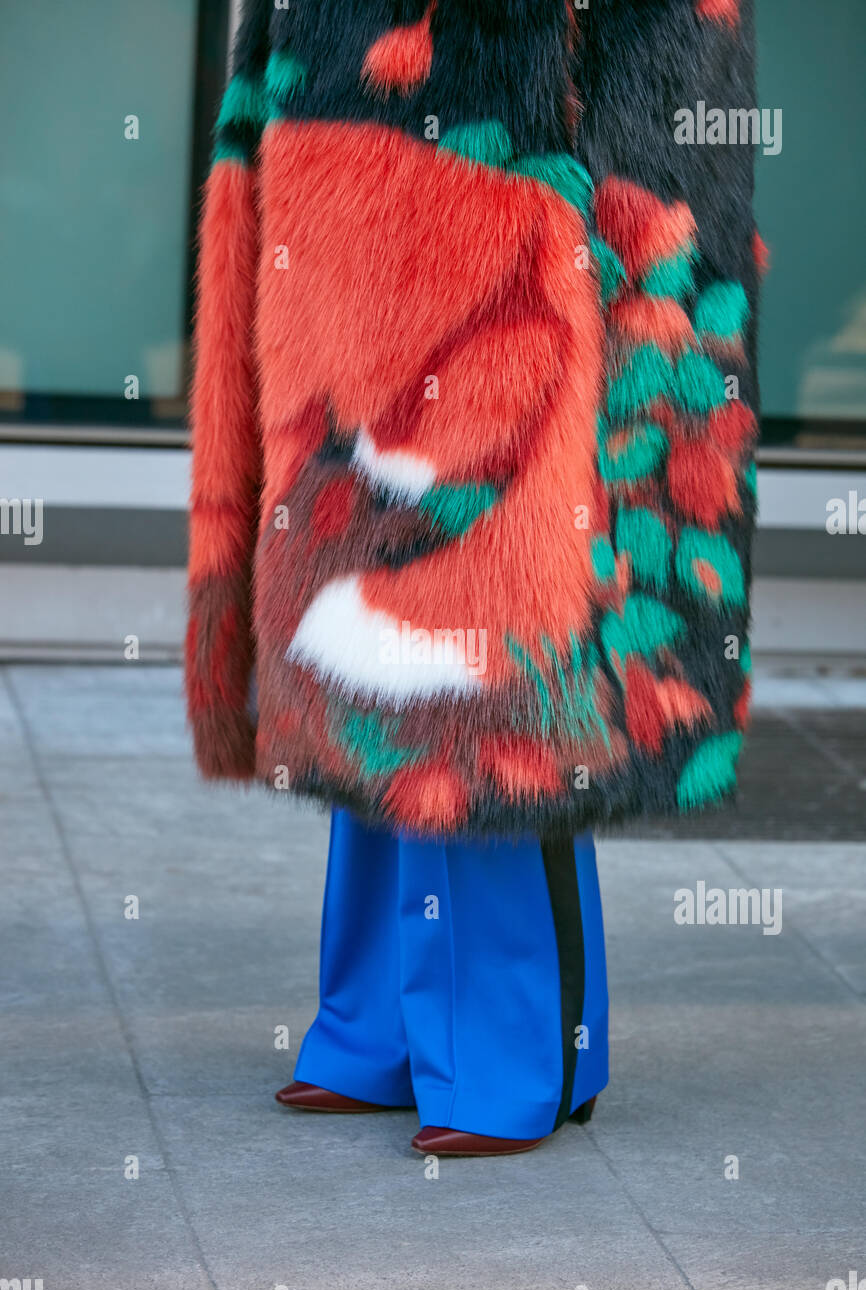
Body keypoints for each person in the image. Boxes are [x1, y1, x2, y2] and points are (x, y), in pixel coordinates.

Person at [186, 0, 761, 1157]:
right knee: (352, 658)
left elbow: (671, 82)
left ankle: (517, 1053)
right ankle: (380, 1027)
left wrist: (623, 294)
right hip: (344, 224)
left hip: (509, 236)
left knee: (484, 683)